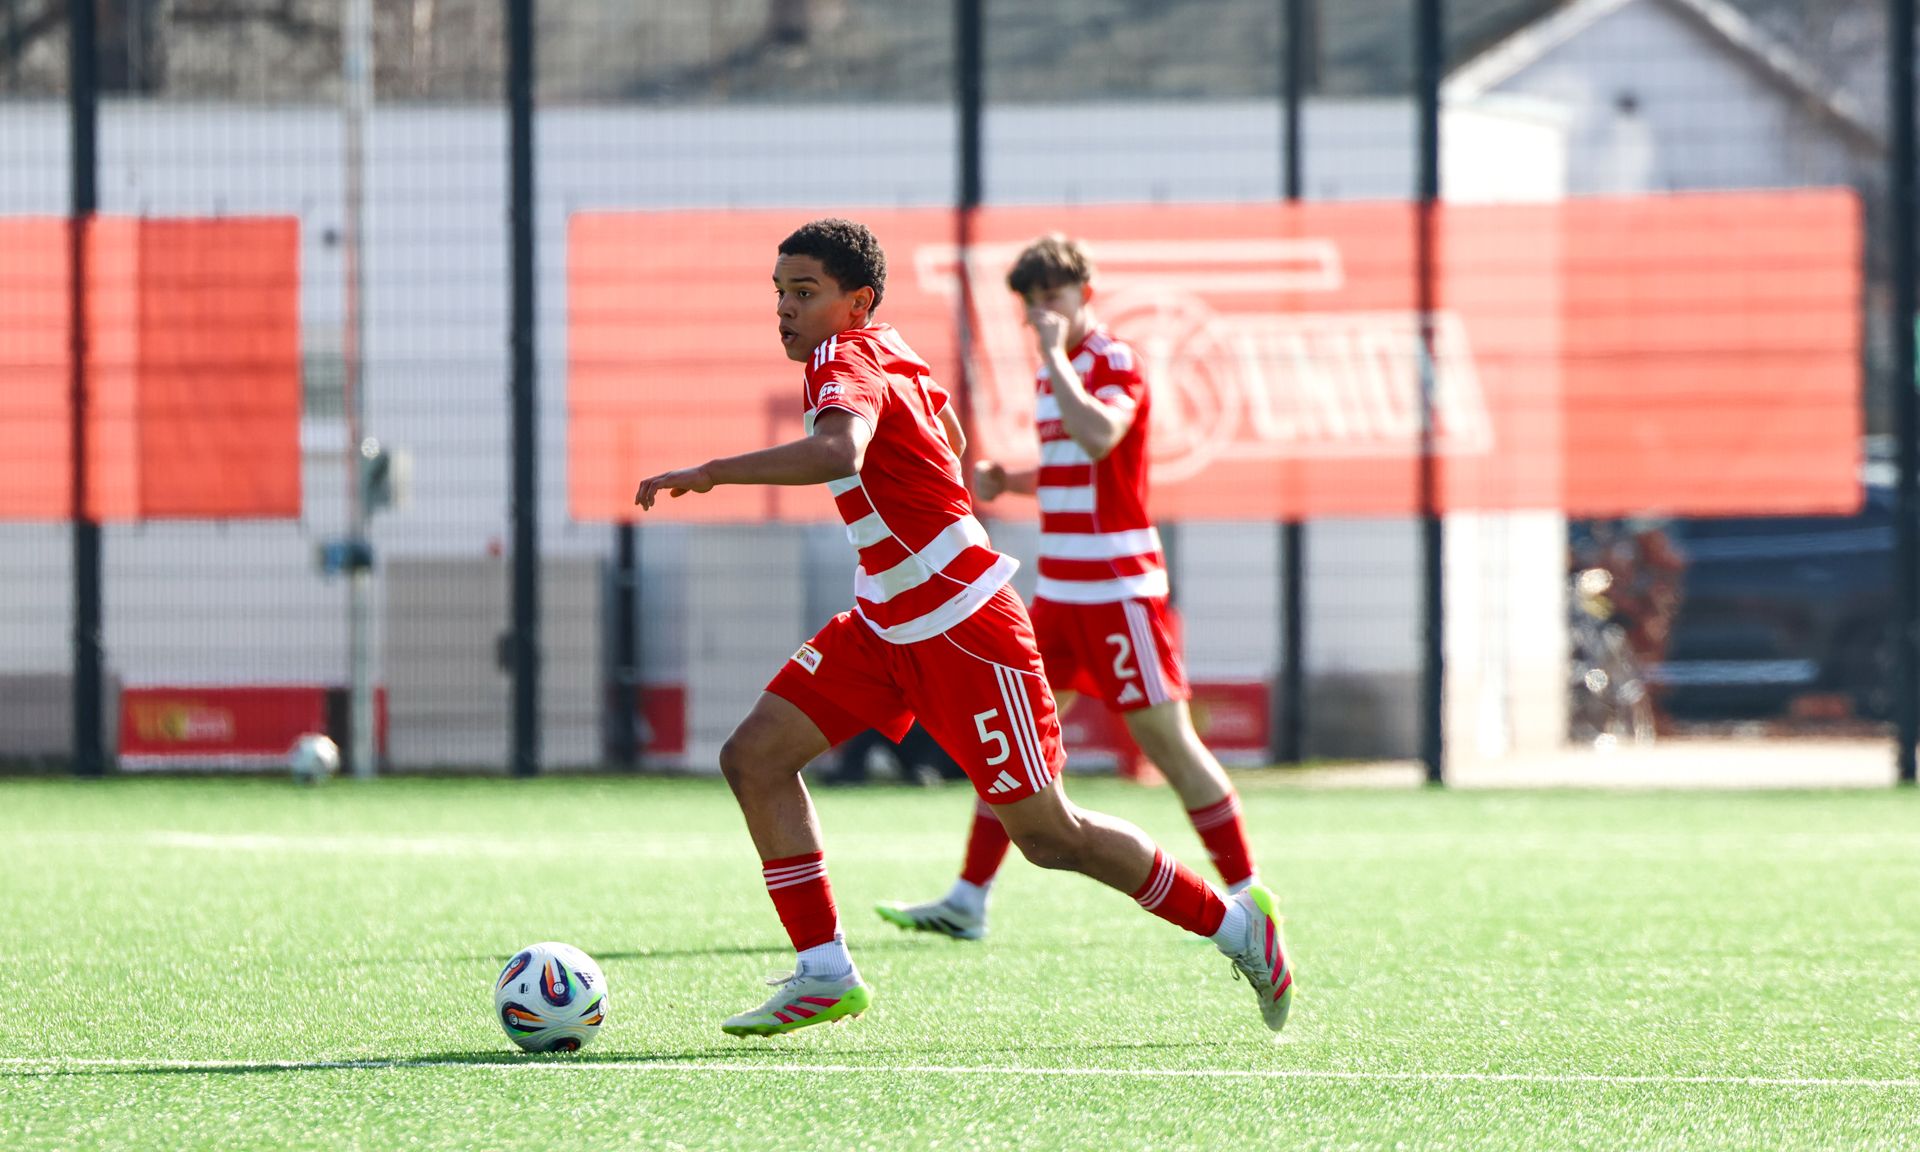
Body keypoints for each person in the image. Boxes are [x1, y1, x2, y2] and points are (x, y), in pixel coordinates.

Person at [634, 218, 1292, 1037]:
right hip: (884, 622)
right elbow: (943, 426)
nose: (786, 309)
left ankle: (1236, 925)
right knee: (755, 757)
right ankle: (825, 972)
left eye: (805, 292)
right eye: (780, 293)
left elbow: (840, 451)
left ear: (857, 302)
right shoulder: (883, 348)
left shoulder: (844, 358)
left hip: (962, 628)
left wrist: (712, 472)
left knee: (1051, 836)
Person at [877, 233, 1262, 943]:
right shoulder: (1053, 375)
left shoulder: (1112, 360)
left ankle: (1248, 896)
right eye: (1030, 303)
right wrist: (1012, 479)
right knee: (1016, 744)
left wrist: (1055, 358)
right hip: (1059, 592)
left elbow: (1101, 437)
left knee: (1169, 745)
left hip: (1118, 588)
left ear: (1084, 293)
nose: (1039, 313)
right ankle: (968, 898)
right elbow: (1072, 468)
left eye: (1051, 296)